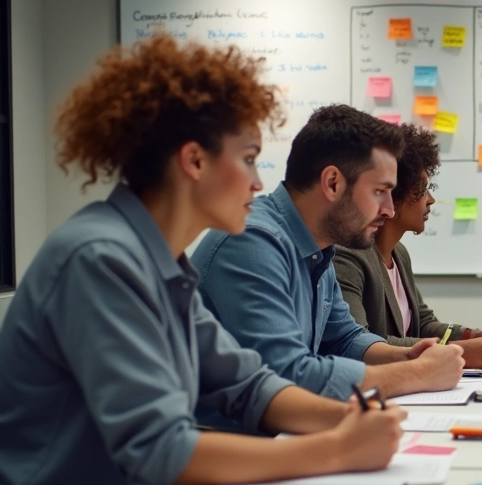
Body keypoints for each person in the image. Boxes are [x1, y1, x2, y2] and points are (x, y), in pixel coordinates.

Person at [0, 36, 407, 485]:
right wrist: (335, 451)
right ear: (193, 160)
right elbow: (162, 451)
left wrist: (349, 418)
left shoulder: (161, 263)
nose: (260, 183)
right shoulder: (100, 260)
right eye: (249, 159)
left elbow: (249, 385)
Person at [192, 105, 464, 413]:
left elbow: (344, 338)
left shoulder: (317, 245)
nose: (389, 209)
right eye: (379, 191)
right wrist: (416, 374)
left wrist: (408, 356)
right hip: (232, 444)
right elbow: (287, 376)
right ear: (333, 183)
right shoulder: (251, 242)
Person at [334, 124, 482, 367]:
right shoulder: (348, 255)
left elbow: (425, 324)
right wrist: (465, 350)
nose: (431, 200)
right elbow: (363, 344)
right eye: (423, 188)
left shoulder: (399, 254)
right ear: (394, 194)